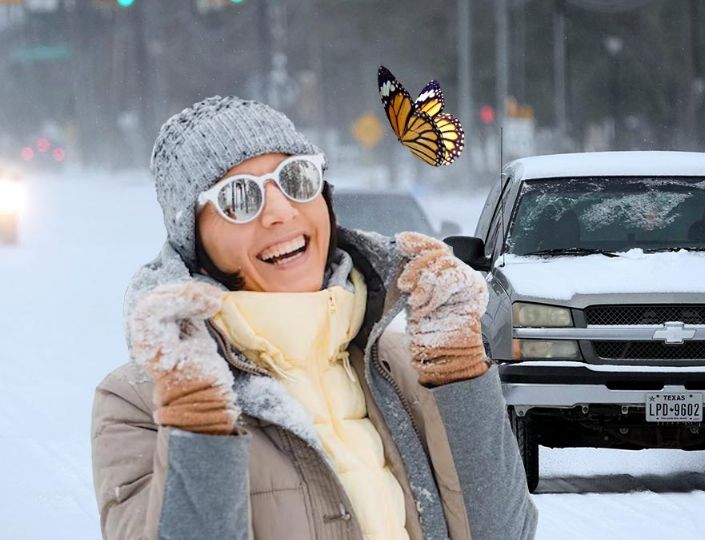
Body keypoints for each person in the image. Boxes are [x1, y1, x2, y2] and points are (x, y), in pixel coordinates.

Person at [90, 96, 538, 540]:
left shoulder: (403, 368)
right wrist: (198, 419)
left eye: (296, 178)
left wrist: (460, 371)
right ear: (195, 243)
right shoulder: (142, 402)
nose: (281, 211)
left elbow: (505, 534)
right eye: (238, 198)